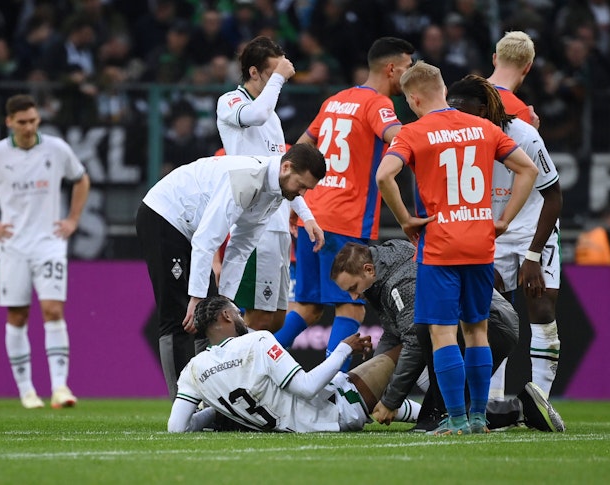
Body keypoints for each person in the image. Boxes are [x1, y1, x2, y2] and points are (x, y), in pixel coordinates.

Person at [376, 61, 538, 435]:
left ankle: (457, 419)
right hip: (480, 243)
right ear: (444, 91)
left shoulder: (413, 132)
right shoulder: (484, 127)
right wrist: (504, 220)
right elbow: (528, 170)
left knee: (443, 333)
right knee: (477, 330)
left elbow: (384, 175)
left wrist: (405, 219)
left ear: (414, 99)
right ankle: (479, 417)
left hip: (439, 244)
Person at [135, 144, 326, 400]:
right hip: (163, 216)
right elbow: (206, 241)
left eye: (307, 189)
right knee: (178, 317)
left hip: (190, 231)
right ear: (286, 167)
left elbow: (240, 248)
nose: (301, 194)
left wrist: (225, 300)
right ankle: (183, 403)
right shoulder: (246, 180)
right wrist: (196, 297)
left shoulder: (275, 192)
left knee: (211, 317)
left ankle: (208, 400)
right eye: (301, 186)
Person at [275, 37, 415, 372]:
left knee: (307, 307)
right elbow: (399, 137)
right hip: (344, 219)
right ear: (391, 68)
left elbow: (303, 147)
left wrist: (298, 198)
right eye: (407, 68)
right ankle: (331, 385)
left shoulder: (335, 101)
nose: (410, 75)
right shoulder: (378, 104)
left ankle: (251, 363)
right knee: (351, 306)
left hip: (312, 214)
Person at [329, 240, 565, 433]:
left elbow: (413, 341)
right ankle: (522, 407)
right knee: (455, 405)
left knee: (427, 337)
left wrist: (391, 400)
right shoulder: (387, 264)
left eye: (353, 288)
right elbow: (394, 333)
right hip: (486, 320)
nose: (353, 297)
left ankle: (445, 414)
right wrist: (376, 388)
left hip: (489, 324)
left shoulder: (399, 282)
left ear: (368, 270)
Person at [0, 94, 90, 409]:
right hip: (13, 246)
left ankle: (60, 388)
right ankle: (26, 391)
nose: (29, 127)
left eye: (33, 120)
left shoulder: (56, 149)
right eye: (22, 122)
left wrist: (73, 219)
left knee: (53, 310)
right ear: (9, 122)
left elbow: (81, 179)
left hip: (49, 244)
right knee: (18, 315)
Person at [445, 74, 564, 400]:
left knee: (541, 306)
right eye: (450, 110)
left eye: (461, 110)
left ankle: (541, 402)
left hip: (531, 228)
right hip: (491, 230)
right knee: (489, 312)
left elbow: (554, 197)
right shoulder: (456, 139)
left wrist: (533, 256)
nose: (455, 117)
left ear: (483, 110)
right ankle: (493, 401)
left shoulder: (525, 136)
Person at [167, 295, 421, 433]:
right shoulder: (258, 340)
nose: (242, 317)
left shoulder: (193, 369)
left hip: (300, 422)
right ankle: (440, 411)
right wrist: (344, 349)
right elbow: (306, 387)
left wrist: (216, 412)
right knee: (416, 341)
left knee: (383, 401)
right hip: (337, 408)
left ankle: (432, 415)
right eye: (237, 313)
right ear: (226, 315)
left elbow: (177, 428)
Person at [216, 36, 322, 332]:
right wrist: (279, 77)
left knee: (276, 318)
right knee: (258, 316)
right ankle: (232, 360)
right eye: (273, 73)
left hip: (279, 225)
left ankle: (251, 360)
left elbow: (284, 175)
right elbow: (256, 114)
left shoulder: (272, 117)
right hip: (254, 225)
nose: (281, 80)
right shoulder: (231, 101)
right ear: (254, 72)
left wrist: (307, 216)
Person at [485, 31, 540, 129]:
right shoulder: (520, 112)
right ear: (528, 67)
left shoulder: (464, 94)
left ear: (494, 59)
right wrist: (532, 132)